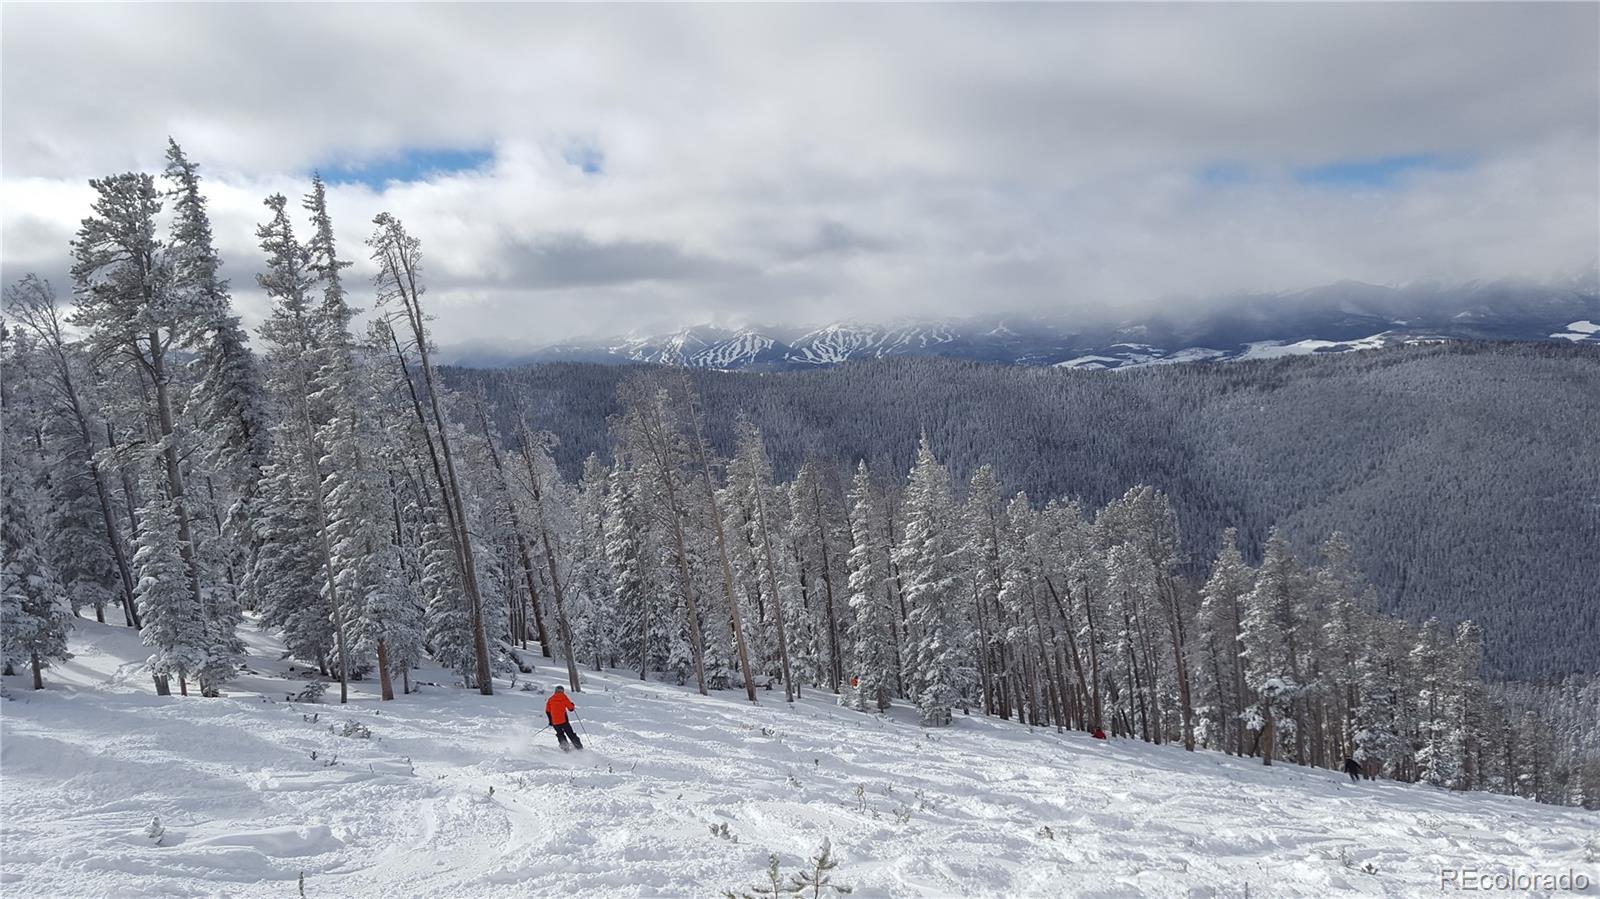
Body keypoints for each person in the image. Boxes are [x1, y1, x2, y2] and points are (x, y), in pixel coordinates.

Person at [545, 685, 583, 751]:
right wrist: (572, 705)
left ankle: (565, 748)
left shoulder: (550, 699)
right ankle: (579, 747)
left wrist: (550, 721)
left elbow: (547, 711)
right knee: (570, 733)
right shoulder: (564, 697)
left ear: (555, 691)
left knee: (560, 734)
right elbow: (571, 709)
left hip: (555, 722)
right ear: (563, 691)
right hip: (564, 721)